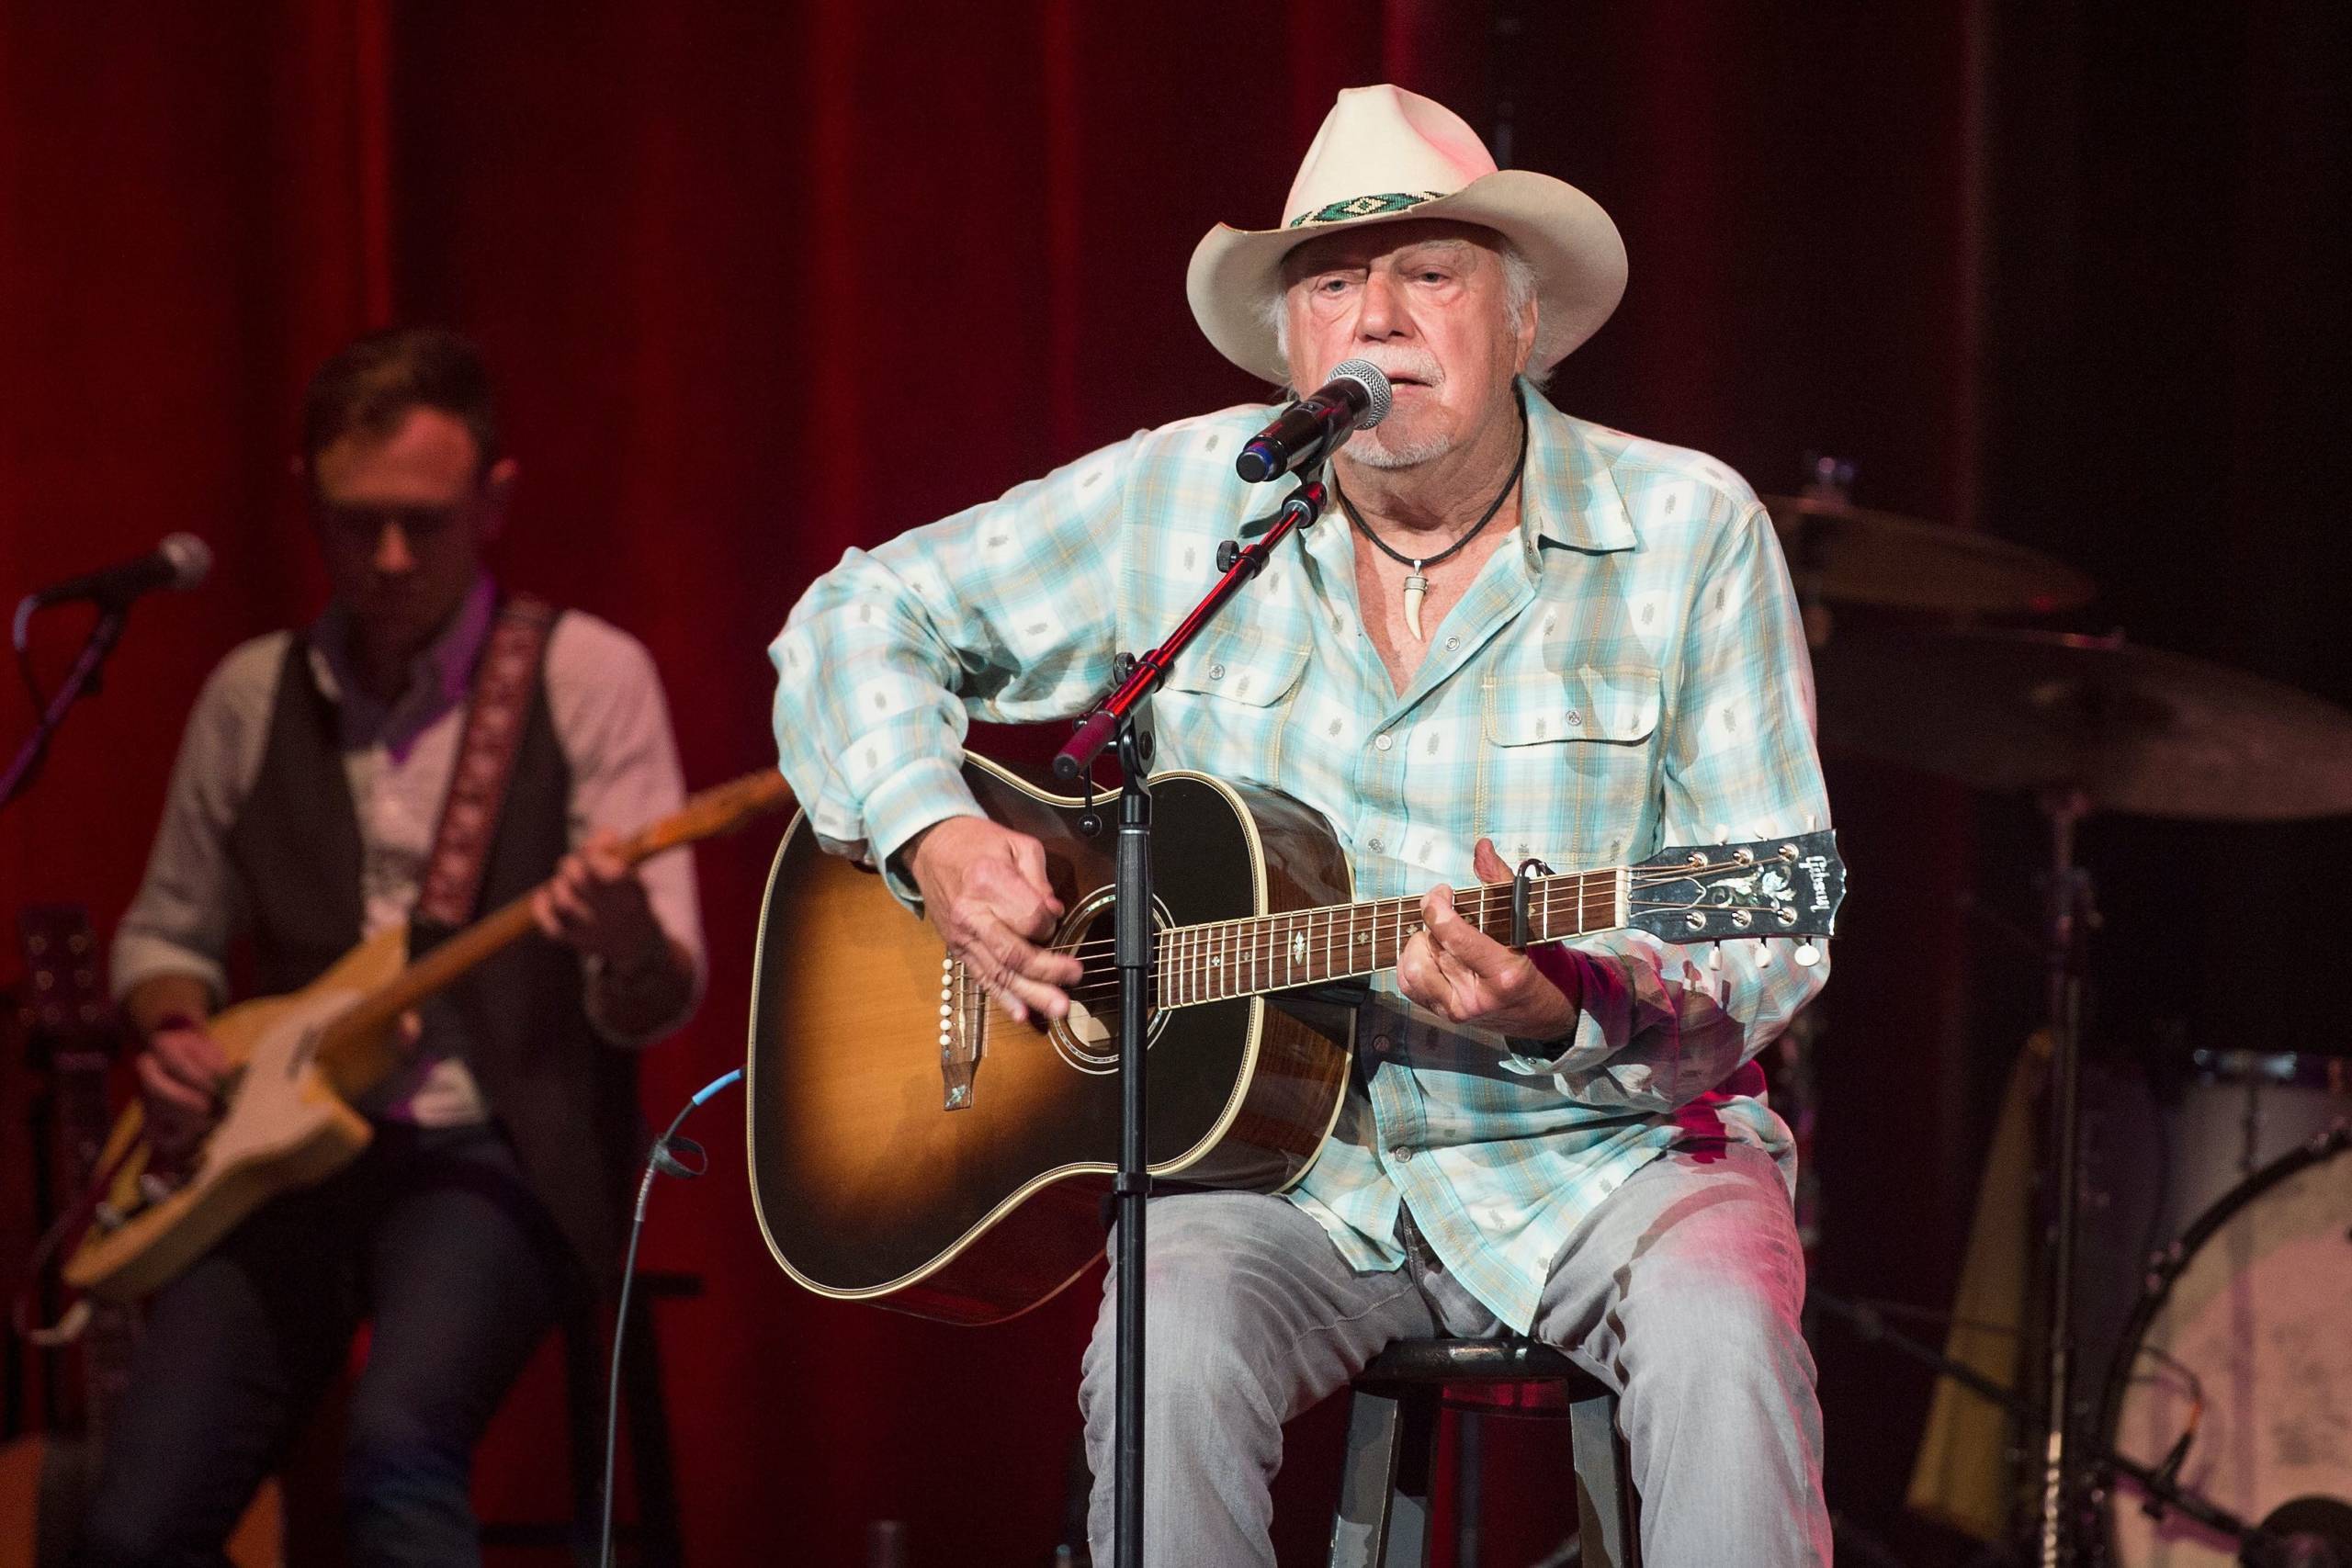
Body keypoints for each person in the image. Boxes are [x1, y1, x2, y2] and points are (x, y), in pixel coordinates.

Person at [769, 85, 1832, 1565]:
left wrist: (1562, 1002)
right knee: (1161, 1351)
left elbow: (1772, 913)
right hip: (1281, 1172)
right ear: (1292, 348)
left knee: (1725, 1329)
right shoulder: (1188, 500)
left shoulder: (1688, 530)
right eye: (1333, 285)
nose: (1376, 317)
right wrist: (929, 832)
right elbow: (856, 613)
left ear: (1524, 321)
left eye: (1430, 273)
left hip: (1610, 1150)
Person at [85, 326, 706, 1568]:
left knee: (397, 1451)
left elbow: (658, 996)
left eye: (423, 522)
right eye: (354, 522)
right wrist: (175, 1030)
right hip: (279, 1156)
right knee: (132, 1522)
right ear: (306, 501)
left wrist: (625, 936)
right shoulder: (251, 696)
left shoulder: (587, 676)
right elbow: (165, 932)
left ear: (495, 502)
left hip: (500, 1149)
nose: (388, 559)